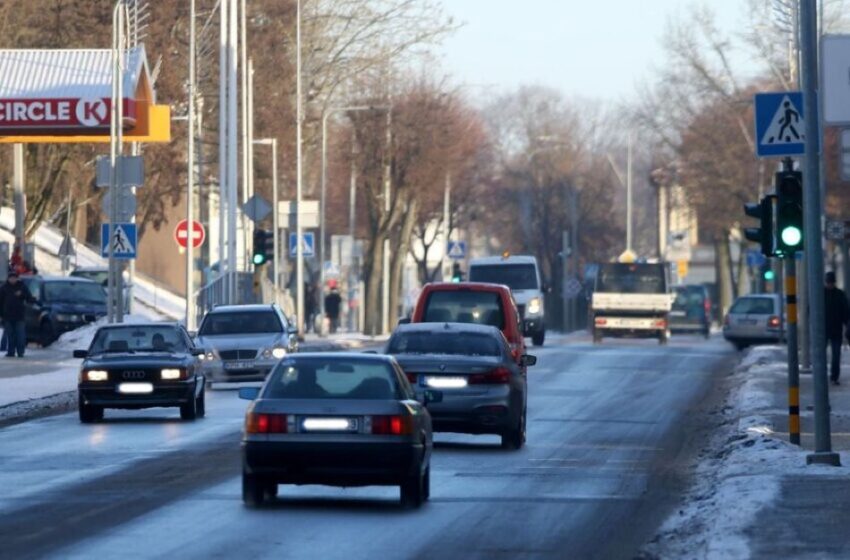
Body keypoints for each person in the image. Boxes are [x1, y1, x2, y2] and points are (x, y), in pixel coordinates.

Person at [0, 271, 35, 358]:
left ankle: (20, 352)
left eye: (14, 278)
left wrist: (22, 295)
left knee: (20, 335)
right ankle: (11, 352)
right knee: (10, 335)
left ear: (17, 278)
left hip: (20, 315)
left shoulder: (22, 287)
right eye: (11, 278)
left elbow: (30, 298)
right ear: (8, 278)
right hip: (7, 315)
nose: (13, 280)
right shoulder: (4, 288)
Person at [824, 271, 850, 385]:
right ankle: (823, 375)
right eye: (829, 282)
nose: (830, 285)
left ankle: (834, 377)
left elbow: (846, 312)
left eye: (831, 282)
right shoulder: (821, 294)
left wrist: (847, 324)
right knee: (821, 355)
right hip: (823, 330)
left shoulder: (839, 294)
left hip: (835, 329)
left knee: (836, 355)